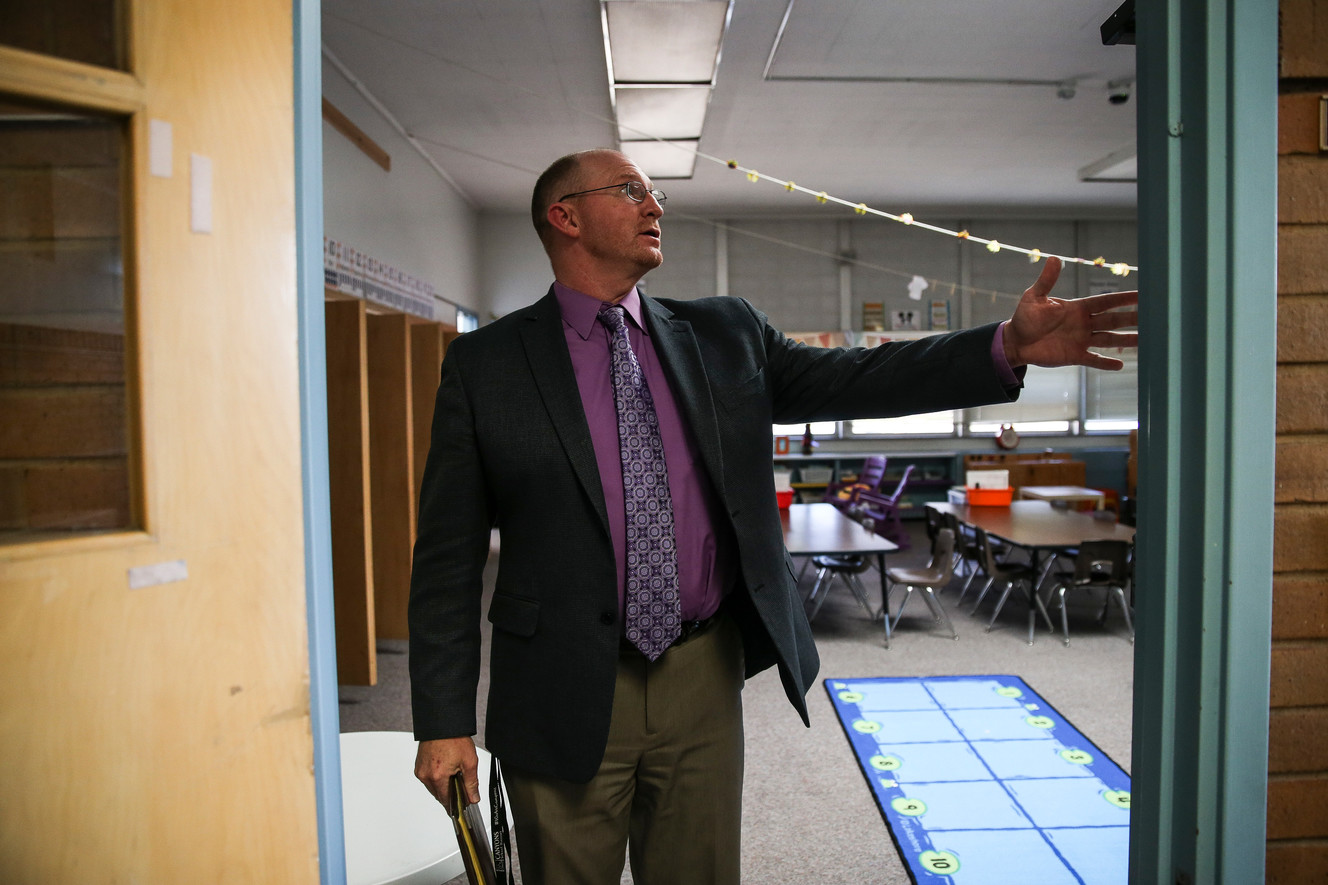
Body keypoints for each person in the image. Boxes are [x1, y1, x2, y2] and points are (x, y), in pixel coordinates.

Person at [409, 148, 1138, 884]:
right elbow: (447, 555)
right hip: (558, 680)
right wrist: (442, 719)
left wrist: (1006, 346)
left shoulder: (725, 335)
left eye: (654, 192)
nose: (656, 206)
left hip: (701, 671)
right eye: (631, 191)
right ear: (564, 216)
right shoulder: (486, 365)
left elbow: (863, 376)